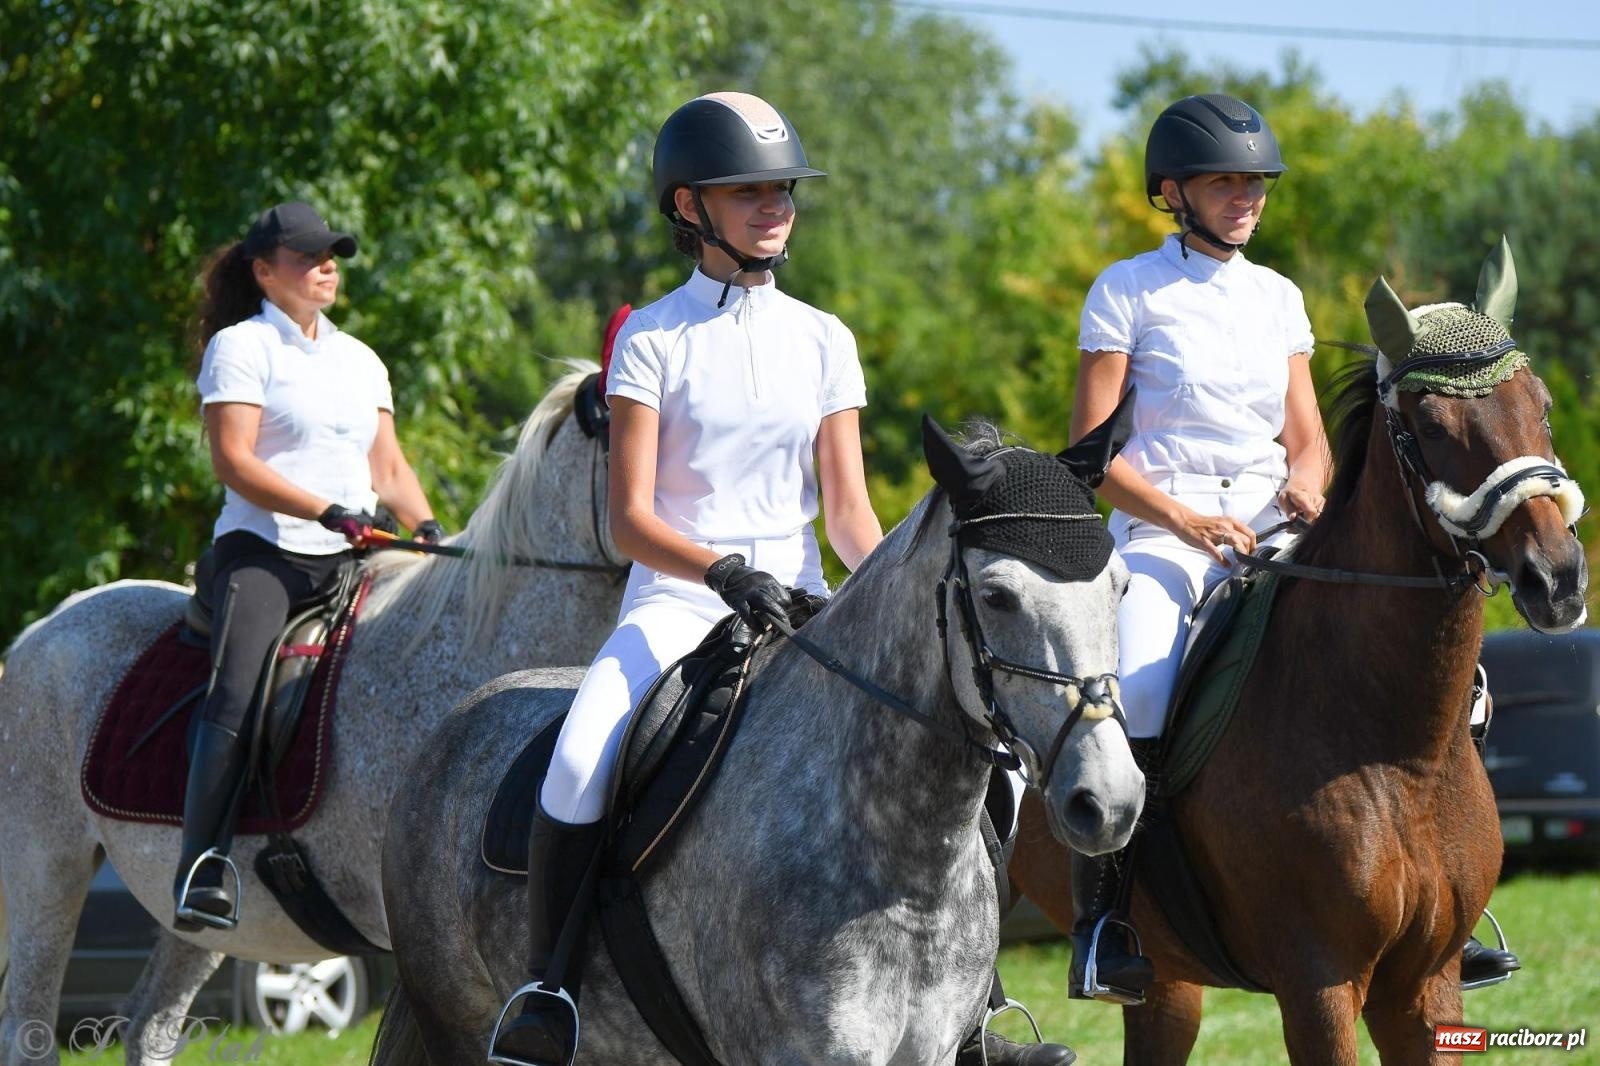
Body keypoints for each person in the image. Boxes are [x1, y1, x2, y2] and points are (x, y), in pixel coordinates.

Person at [490, 92, 1073, 1066]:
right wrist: (720, 569)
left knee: (988, 757)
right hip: (680, 601)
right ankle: (550, 989)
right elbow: (633, 517)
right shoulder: (652, 339)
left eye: (783, 190)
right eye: (749, 191)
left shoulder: (822, 338)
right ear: (689, 207)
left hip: (808, 601)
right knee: (583, 753)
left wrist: (891, 585)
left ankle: (974, 1007)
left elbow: (845, 511)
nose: (776, 207)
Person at [1065, 92, 1516, 1004]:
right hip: (1165, 531)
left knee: (1448, 680)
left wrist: (1308, 485)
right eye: (1226, 181)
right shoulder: (1126, 290)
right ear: (1173, 192)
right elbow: (1090, 456)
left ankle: (1448, 912)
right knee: (1142, 686)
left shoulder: (1278, 298)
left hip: (1277, 529)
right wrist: (1187, 522)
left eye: (1256, 182)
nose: (1247, 198)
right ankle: (1109, 921)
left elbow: (1304, 434)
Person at [176, 201, 442, 931]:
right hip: (265, 556)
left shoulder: (361, 359)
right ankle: (202, 863)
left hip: (356, 557)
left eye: (333, 255)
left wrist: (426, 528)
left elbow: (387, 465)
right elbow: (234, 461)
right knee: (234, 691)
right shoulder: (241, 347)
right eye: (308, 256)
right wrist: (326, 510)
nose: (327, 266)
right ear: (264, 272)